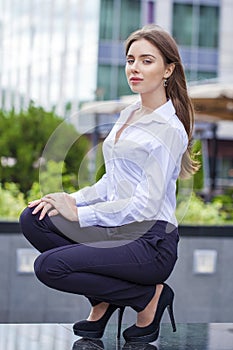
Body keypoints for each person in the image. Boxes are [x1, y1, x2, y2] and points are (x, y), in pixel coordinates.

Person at [20, 24, 199, 344]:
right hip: (117, 231)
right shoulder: (130, 112)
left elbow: (144, 205)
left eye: (147, 60)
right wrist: (70, 200)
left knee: (49, 267)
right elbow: (111, 181)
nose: (135, 68)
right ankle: (104, 298)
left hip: (149, 242)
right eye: (131, 60)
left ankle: (148, 297)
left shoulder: (169, 128)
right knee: (36, 217)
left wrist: (81, 216)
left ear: (168, 69)